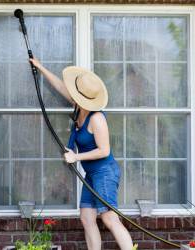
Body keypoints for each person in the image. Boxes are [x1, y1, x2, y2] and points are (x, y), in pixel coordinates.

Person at [29, 57, 134, 250]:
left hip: (104, 172)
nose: (72, 94)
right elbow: (60, 86)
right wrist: (41, 67)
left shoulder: (96, 118)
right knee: (86, 217)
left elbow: (105, 151)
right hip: (92, 174)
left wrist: (75, 157)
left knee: (109, 217)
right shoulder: (80, 107)